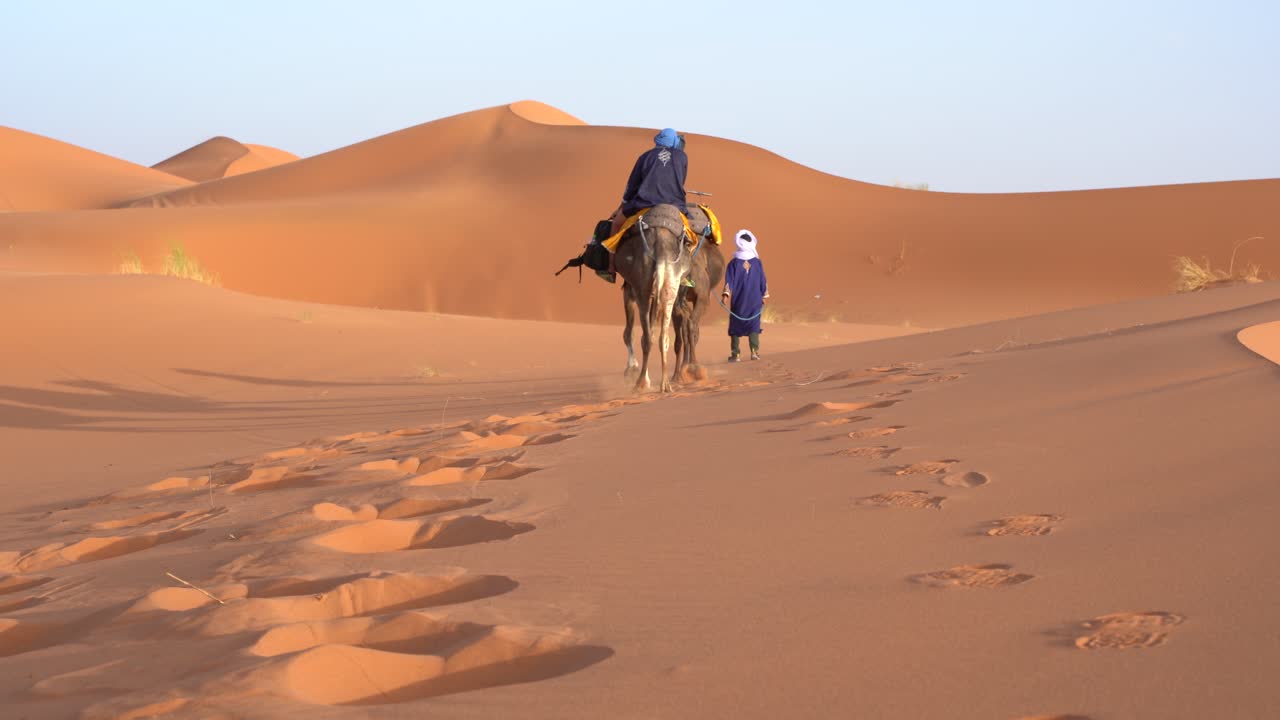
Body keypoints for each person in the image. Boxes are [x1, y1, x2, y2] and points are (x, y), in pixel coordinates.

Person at [600, 128, 689, 281]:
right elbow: (680, 181)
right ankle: (687, 273)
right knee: (689, 233)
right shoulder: (682, 157)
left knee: (615, 224)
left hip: (644, 204)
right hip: (675, 205)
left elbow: (632, 186)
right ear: (674, 141)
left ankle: (610, 269)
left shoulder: (645, 157)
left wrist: (621, 206)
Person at [721, 229, 769, 362]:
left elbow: (728, 281)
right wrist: (763, 295)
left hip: (739, 300)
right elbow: (762, 280)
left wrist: (726, 295)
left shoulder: (734, 263)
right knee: (753, 324)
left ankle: (735, 354)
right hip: (754, 300)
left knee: (736, 325)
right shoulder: (757, 262)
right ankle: (754, 352)